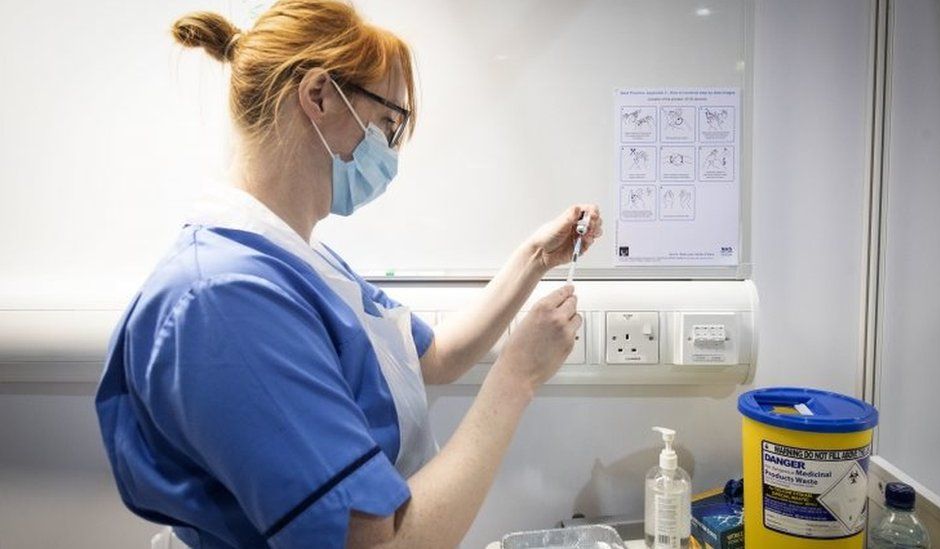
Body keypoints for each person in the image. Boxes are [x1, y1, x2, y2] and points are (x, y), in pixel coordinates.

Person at [95, 1, 603, 547]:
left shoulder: (296, 259)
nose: (389, 152)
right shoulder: (225, 300)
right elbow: (372, 544)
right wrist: (517, 377)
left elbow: (435, 357)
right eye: (387, 123)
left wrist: (535, 257)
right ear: (317, 96)